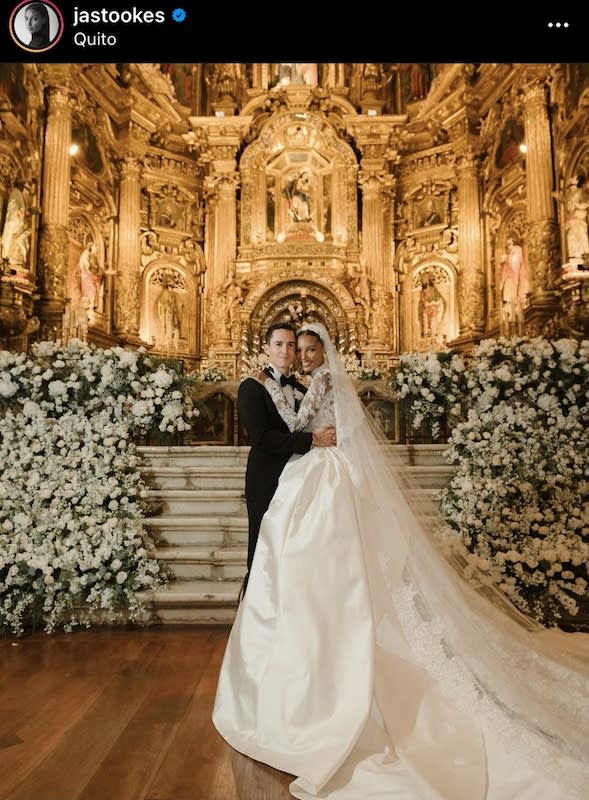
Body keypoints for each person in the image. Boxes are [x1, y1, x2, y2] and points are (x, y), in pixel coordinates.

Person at [214, 321, 589, 800]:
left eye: (304, 348)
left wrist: (314, 438)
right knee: (279, 565)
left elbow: (309, 426)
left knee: (322, 566)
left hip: (316, 475)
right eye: (289, 347)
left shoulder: (318, 381)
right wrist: (312, 439)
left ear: (318, 352)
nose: (298, 354)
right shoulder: (261, 385)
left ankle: (331, 664)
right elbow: (277, 433)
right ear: (269, 349)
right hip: (287, 477)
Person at [237, 322, 335, 589]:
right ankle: (253, 615)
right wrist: (312, 440)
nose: (286, 350)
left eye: (291, 345)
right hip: (267, 478)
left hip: (300, 481)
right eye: (279, 344)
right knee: (261, 552)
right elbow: (260, 438)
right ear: (267, 348)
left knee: (292, 553)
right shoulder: (251, 387)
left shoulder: (304, 389)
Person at [564, 175, 589, 266]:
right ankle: (575, 259)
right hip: (570, 221)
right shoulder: (568, 194)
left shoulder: (580, 192)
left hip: (578, 220)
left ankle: (583, 260)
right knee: (571, 239)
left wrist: (577, 207)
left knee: (581, 238)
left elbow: (586, 203)